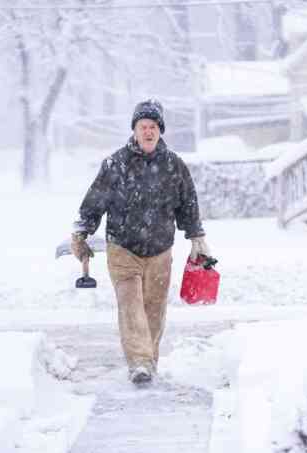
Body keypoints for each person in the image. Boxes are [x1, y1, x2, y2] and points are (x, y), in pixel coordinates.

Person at [71, 99, 212, 385]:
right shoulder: (115, 164)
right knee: (130, 303)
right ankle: (139, 362)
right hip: (123, 247)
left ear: (160, 130)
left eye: (153, 127)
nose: (148, 132)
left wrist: (197, 237)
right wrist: (82, 232)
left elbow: (188, 204)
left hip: (160, 248)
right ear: (134, 130)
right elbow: (94, 202)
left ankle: (149, 360)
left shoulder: (174, 165)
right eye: (142, 126)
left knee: (154, 307)